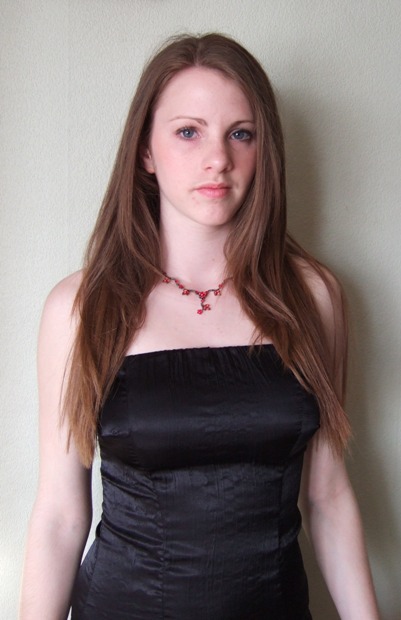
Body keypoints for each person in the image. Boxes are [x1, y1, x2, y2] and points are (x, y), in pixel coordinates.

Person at [20, 33, 380, 619]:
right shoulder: (81, 307)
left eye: (241, 134)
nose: (218, 159)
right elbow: (61, 515)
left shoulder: (314, 297)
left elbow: (328, 495)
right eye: (189, 132)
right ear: (146, 151)